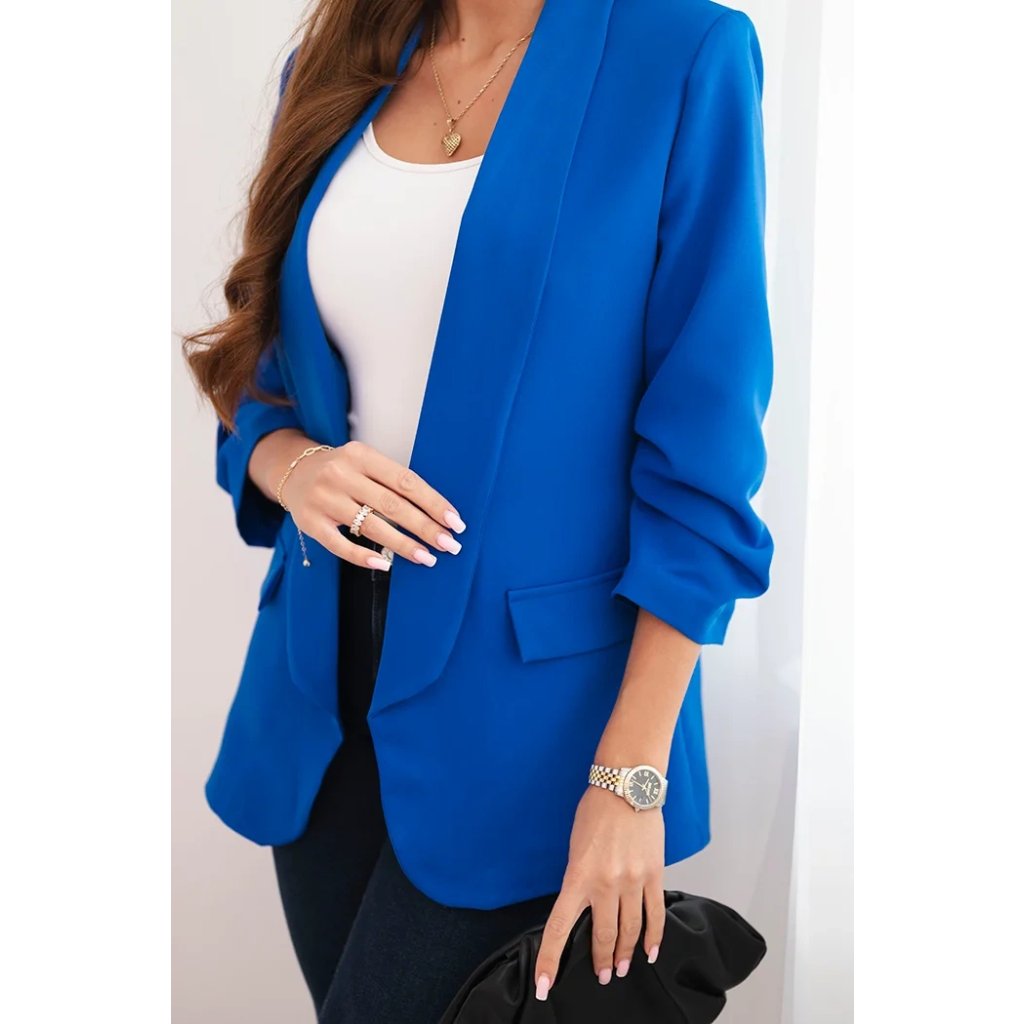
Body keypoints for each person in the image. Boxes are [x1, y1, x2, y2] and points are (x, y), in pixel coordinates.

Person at [184, 0, 774, 1020]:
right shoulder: (335, 58)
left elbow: (705, 456)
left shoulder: (683, 53)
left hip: (538, 726)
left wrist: (630, 779)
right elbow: (261, 371)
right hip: (320, 693)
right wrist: (293, 466)